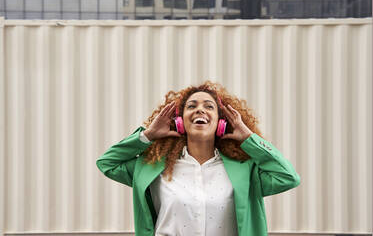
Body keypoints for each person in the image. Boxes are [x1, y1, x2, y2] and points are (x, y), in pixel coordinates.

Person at [96, 80, 300, 236]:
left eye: (209, 106)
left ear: (221, 122)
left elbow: (288, 177)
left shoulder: (244, 170)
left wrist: (248, 138)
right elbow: (107, 163)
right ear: (179, 121)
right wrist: (147, 135)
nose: (200, 109)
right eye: (191, 106)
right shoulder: (152, 167)